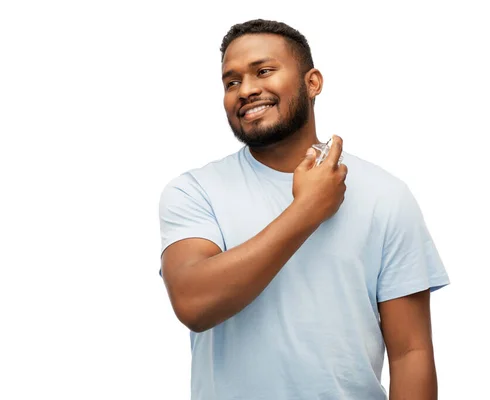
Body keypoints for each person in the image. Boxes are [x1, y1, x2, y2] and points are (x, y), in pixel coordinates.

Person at [158, 19, 450, 400]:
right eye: (231, 82)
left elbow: (411, 353)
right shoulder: (195, 191)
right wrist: (307, 209)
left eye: (263, 71)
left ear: (312, 83)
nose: (246, 90)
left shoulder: (385, 195)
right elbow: (194, 304)